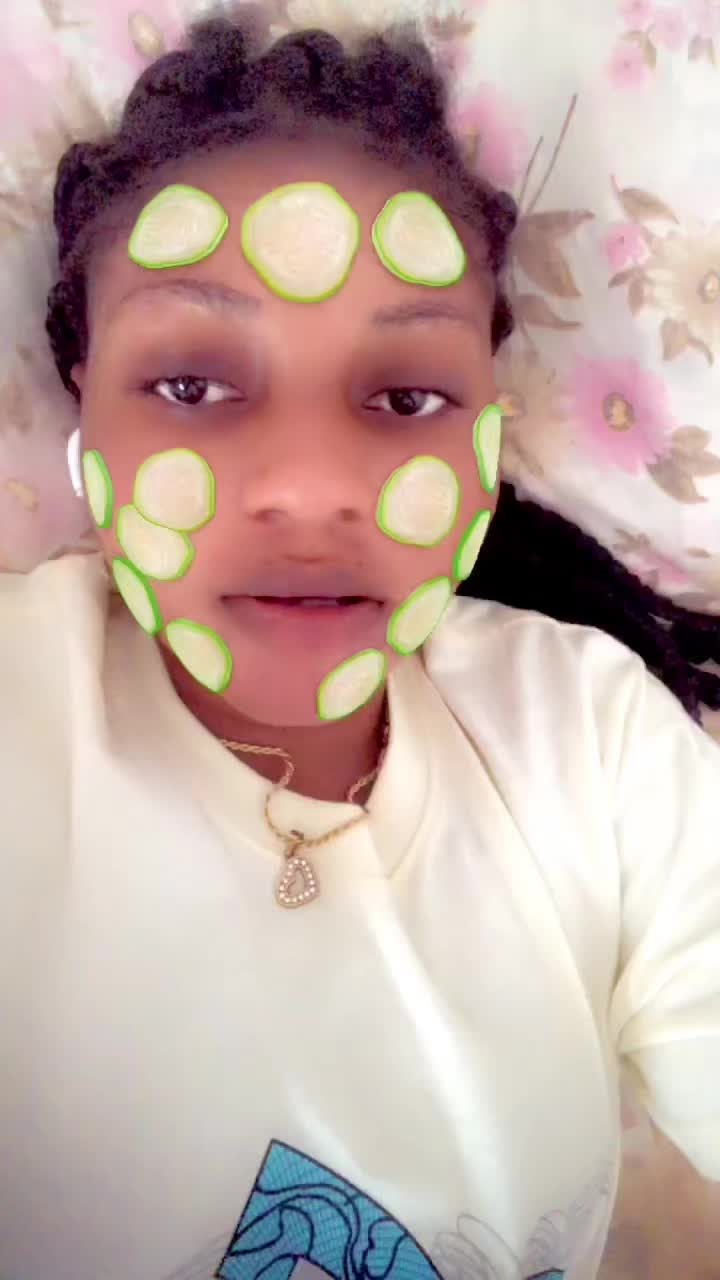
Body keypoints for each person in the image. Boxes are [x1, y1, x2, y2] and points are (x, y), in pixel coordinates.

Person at [1, 11, 718, 1280]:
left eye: (405, 396)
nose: (313, 485)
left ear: (486, 452)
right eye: (191, 385)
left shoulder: (598, 745)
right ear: (83, 433)